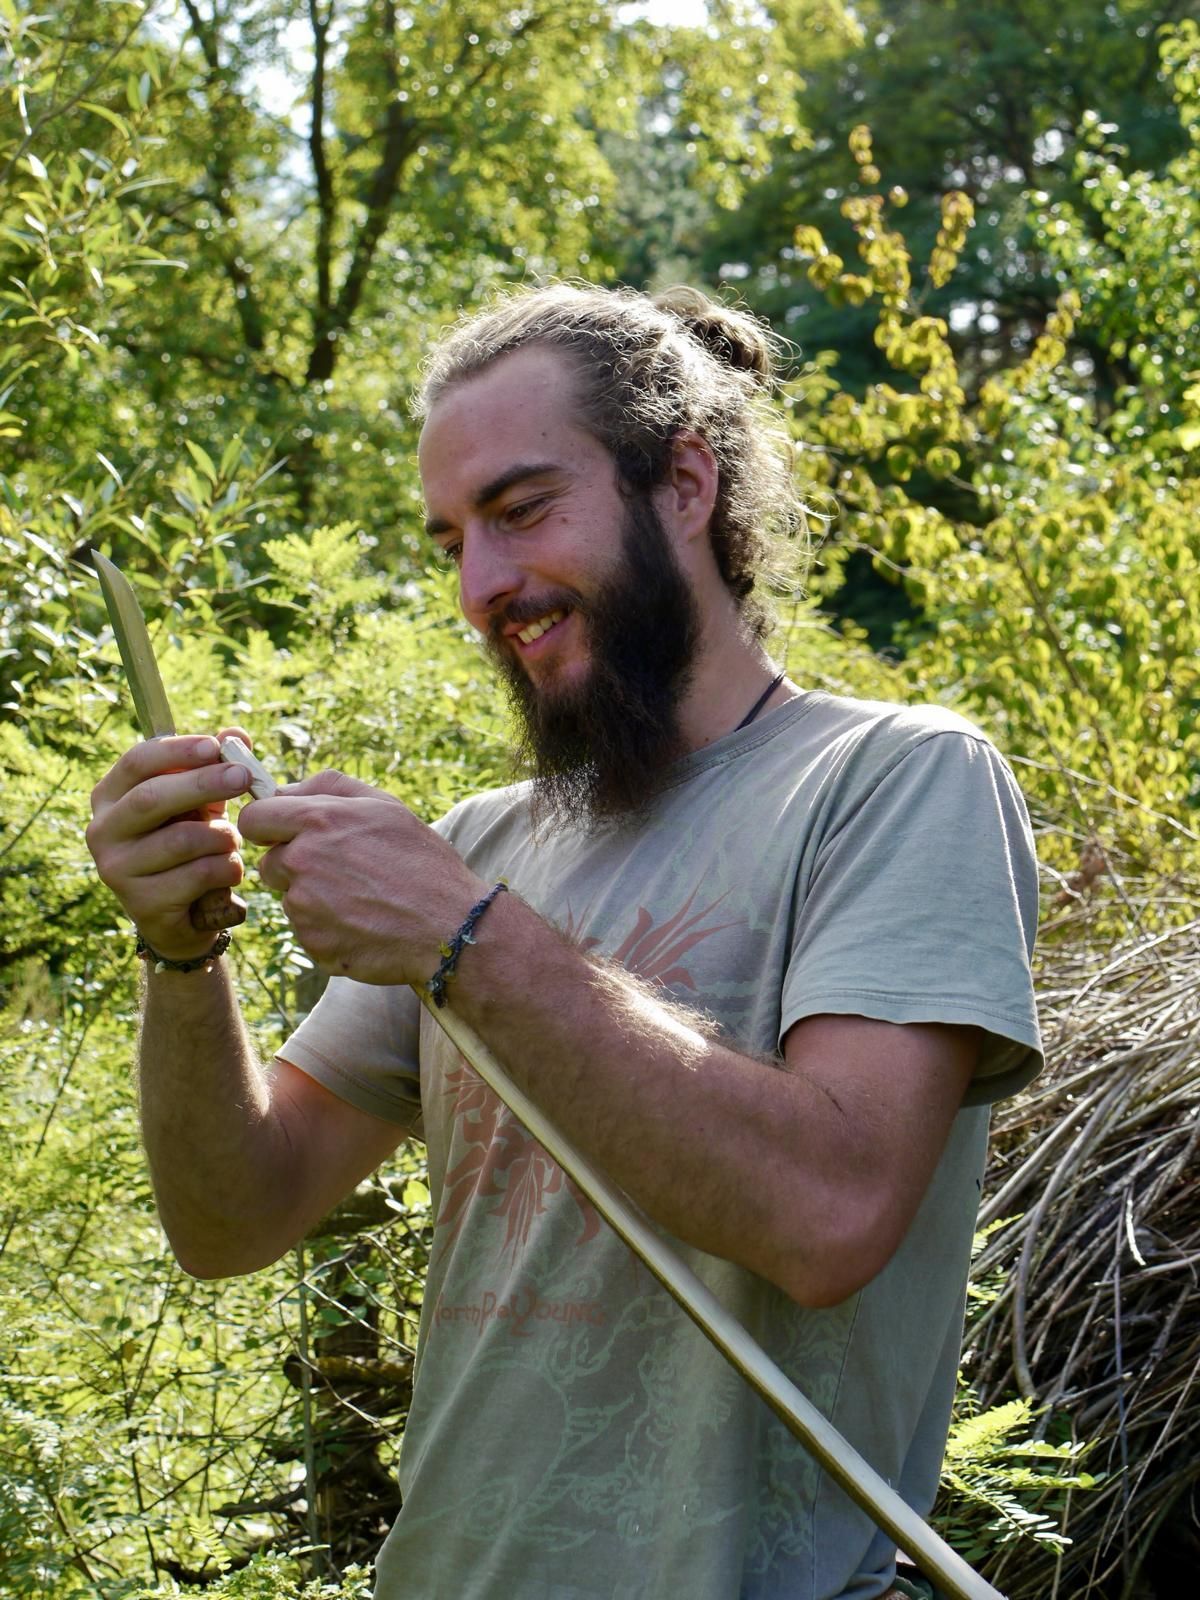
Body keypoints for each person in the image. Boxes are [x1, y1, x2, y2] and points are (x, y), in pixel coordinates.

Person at [86, 283, 1042, 1600]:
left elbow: (831, 1213)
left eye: (525, 509)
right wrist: (182, 955)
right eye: (452, 540)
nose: (484, 588)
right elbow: (234, 1214)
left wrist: (467, 939)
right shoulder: (482, 842)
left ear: (686, 486)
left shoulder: (896, 780)